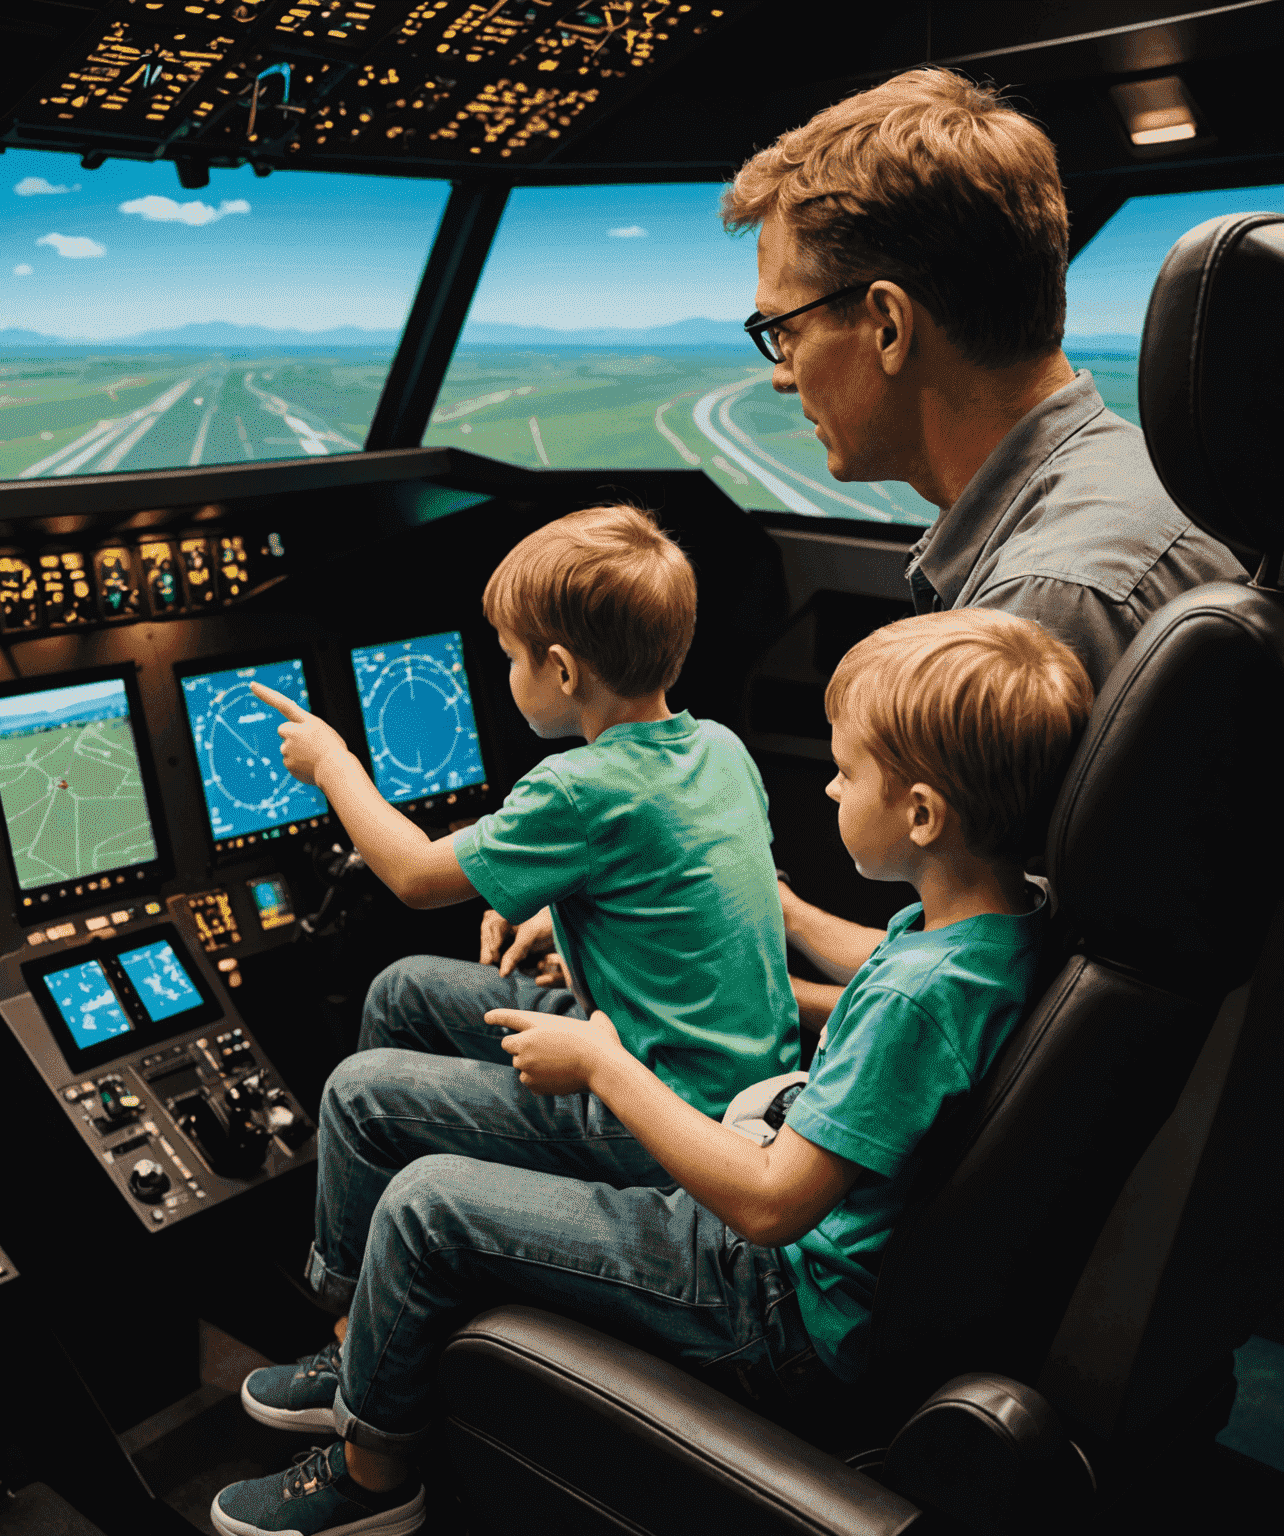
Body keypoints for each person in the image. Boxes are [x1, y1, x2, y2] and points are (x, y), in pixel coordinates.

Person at [210, 606, 1094, 1536]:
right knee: (409, 998)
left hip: (768, 1298)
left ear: (920, 814)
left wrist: (603, 1064)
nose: (830, 790)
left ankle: (374, 1478)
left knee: (428, 1203)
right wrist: (768, 922)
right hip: (785, 1231)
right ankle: (365, 1350)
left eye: (846, 773)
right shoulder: (995, 931)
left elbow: (767, 1205)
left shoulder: (917, 1001)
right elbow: (887, 997)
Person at [721, 66, 1245, 1020]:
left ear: (886, 323)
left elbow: (992, 1026)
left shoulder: (1049, 603)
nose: (781, 375)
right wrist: (770, 918)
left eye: (782, 329)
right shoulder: (1130, 486)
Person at [247, 504, 800, 1315]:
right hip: (740, 1085)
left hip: (664, 1118)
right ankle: (407, 1259)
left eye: (509, 657)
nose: (504, 673)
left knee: (357, 1095)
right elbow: (665, 888)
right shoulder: (718, 745)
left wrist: (333, 765)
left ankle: (341, 1310)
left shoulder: (575, 787)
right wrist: (560, 915)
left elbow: (410, 875)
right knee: (403, 988)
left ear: (564, 672)